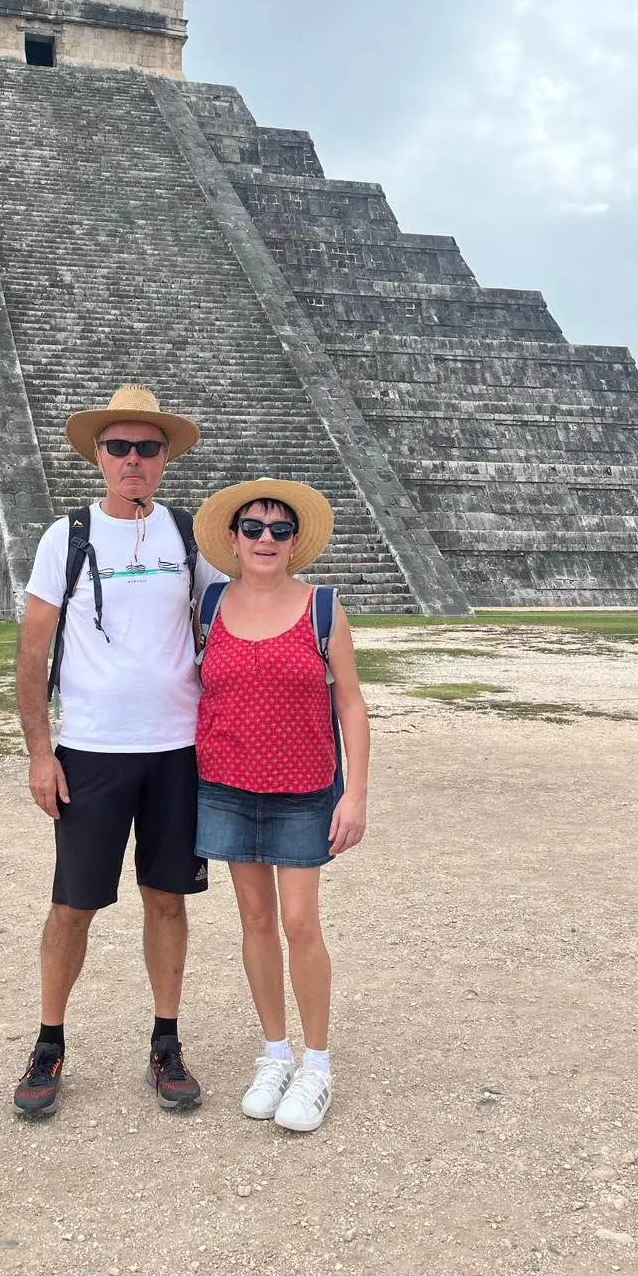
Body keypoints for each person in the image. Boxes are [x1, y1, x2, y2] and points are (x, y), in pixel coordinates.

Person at [12, 386, 225, 1118]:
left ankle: (166, 1040)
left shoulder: (190, 537)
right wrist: (41, 754)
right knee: (73, 904)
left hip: (176, 749)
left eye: (148, 448)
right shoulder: (65, 537)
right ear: (98, 456)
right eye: (119, 447)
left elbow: (232, 617)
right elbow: (31, 654)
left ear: (165, 459)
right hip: (93, 749)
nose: (133, 460)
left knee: (167, 899)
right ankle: (49, 1042)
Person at [191, 477, 369, 1133]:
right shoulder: (210, 605)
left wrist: (356, 793)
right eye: (253, 527)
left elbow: (351, 701)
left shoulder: (322, 607)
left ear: (295, 542)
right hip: (228, 785)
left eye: (280, 529)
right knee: (256, 920)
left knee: (300, 922)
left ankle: (316, 1064)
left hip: (303, 789)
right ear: (233, 539)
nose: (266, 538)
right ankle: (275, 1054)